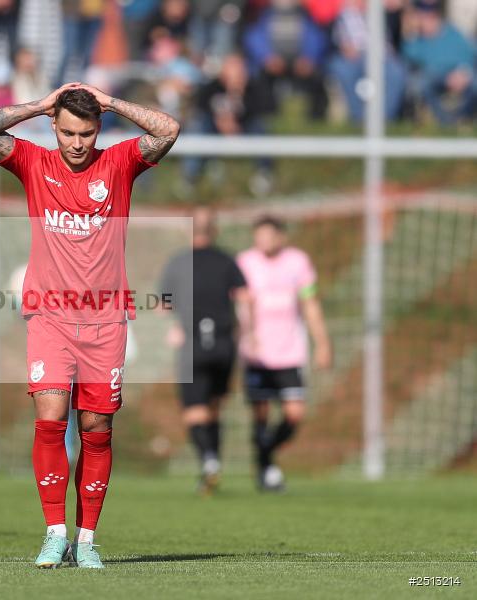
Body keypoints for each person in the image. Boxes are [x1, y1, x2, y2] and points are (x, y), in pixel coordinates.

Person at [0, 83, 179, 568]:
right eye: (66, 132)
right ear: (54, 128)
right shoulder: (34, 162)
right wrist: (41, 104)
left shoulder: (121, 162)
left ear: (99, 128)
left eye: (86, 132)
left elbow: (168, 129)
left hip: (107, 319)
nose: (77, 143)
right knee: (49, 418)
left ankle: (85, 542)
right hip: (50, 315)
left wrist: (111, 101)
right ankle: (53, 533)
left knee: (97, 426)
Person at [237, 216, 332, 492]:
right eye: (259, 235)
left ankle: (264, 457)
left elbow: (310, 303)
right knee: (261, 414)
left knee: (294, 414)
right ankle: (266, 469)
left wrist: (323, 343)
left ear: (281, 237)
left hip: (290, 353)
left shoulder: (298, 262)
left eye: (268, 235)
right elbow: (241, 303)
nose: (263, 241)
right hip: (256, 354)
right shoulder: (245, 262)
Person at [159, 207, 250, 495]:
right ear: (216, 230)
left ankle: (209, 461)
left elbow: (163, 306)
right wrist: (246, 331)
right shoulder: (227, 260)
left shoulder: (178, 263)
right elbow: (246, 298)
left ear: (189, 230)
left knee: (194, 413)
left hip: (193, 345)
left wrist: (177, 320)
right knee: (214, 408)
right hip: (223, 345)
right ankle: (213, 463)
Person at [181, 54, 274, 197]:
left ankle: (263, 174)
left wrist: (236, 93)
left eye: (241, 70)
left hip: (243, 128)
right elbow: (202, 110)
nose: (238, 74)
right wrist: (222, 120)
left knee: (260, 127)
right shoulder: (210, 88)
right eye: (233, 70)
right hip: (213, 129)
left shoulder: (253, 89)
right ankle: (190, 177)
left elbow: (260, 110)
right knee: (197, 127)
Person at [243, 0, 329, 120]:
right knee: (260, 78)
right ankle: (268, 114)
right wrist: (267, 57)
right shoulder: (264, 14)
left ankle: (317, 115)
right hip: (272, 62)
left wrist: (309, 57)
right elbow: (254, 36)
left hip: (301, 62)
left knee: (317, 77)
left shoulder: (305, 14)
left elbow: (316, 37)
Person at [327, 0, 406, 124]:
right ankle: (359, 118)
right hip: (353, 55)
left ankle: (386, 118)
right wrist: (346, 47)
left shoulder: (380, 11)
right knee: (343, 70)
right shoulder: (343, 12)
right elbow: (338, 38)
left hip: (381, 56)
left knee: (396, 72)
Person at [403, 0, 477, 125]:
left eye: (429, 17)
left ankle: (462, 118)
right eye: (422, 17)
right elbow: (408, 57)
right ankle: (445, 121)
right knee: (419, 85)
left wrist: (464, 71)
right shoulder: (416, 39)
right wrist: (411, 31)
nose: (425, 21)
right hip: (432, 76)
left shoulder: (453, 33)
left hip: (459, 74)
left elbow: (471, 54)